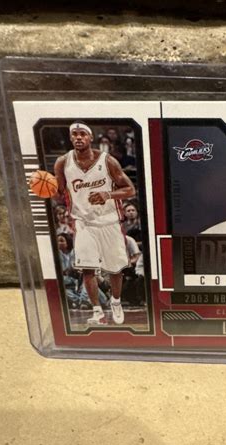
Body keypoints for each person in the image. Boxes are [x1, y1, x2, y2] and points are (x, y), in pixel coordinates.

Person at [54, 121, 136, 325]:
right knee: (87, 269)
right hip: (83, 222)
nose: (78, 137)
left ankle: (115, 302)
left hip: (109, 221)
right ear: (70, 138)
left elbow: (130, 190)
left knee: (115, 269)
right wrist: (44, 189)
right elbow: (59, 193)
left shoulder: (108, 161)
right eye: (74, 134)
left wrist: (107, 195)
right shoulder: (62, 163)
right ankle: (97, 311)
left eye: (82, 134)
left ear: (91, 138)